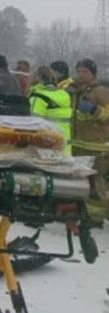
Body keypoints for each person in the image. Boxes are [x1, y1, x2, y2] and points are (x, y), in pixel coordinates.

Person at [72, 58, 109, 222]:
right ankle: (83, 212)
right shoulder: (79, 91)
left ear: (93, 73)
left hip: (97, 145)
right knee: (81, 181)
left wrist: (94, 109)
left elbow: (107, 115)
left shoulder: (100, 91)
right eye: (78, 71)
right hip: (79, 144)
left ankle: (96, 217)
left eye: (84, 71)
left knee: (96, 183)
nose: (80, 74)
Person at [28, 65, 73, 155]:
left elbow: (30, 125)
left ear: (35, 79)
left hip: (45, 149)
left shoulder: (39, 97)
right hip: (65, 147)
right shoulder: (64, 95)